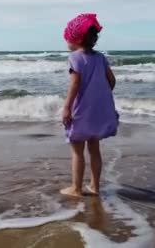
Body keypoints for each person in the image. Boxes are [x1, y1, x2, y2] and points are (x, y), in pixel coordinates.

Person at [60, 13, 119, 197]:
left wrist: (67, 107)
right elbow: (112, 80)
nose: (66, 42)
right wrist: (100, 96)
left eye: (68, 38)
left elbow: (75, 84)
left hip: (80, 111)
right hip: (97, 111)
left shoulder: (75, 58)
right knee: (95, 149)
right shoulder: (100, 58)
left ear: (76, 39)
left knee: (77, 151)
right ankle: (95, 186)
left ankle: (76, 188)